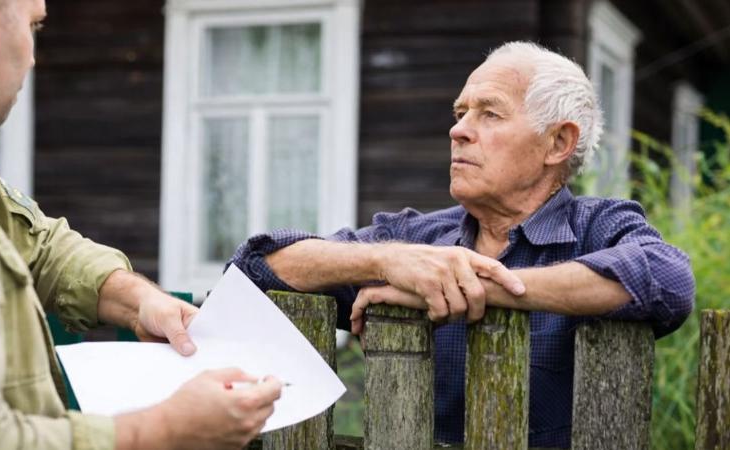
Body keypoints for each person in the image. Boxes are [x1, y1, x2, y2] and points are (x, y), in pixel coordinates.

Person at [228, 41, 695, 448]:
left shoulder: (597, 226)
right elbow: (254, 269)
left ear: (557, 143)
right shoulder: (415, 241)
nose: (458, 130)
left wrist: (473, 285)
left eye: (489, 113)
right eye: (460, 113)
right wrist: (387, 259)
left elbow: (668, 279)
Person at [0, 0, 281, 449]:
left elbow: (34, 244)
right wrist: (164, 432)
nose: (31, 56)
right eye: (34, 26)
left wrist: (136, 297)